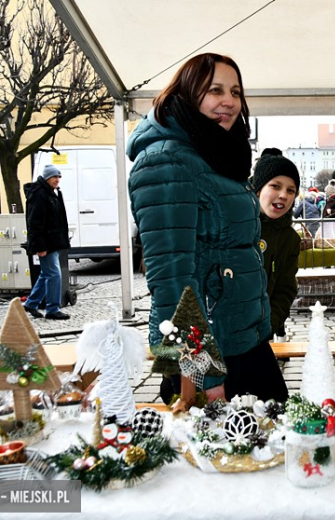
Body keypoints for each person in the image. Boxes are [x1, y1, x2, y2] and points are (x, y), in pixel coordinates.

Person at [127, 52, 288, 406]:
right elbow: (172, 286)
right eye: (215, 90)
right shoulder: (165, 161)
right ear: (187, 93)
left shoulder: (213, 153)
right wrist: (205, 375)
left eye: (235, 92)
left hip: (244, 342)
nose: (228, 101)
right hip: (209, 357)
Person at [251, 154, 301, 342]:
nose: (283, 195)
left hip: (260, 334)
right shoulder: (236, 224)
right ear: (258, 189)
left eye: (291, 190)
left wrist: (268, 325)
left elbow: (285, 289)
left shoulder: (290, 239)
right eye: (275, 186)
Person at [24, 165, 71, 320]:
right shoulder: (40, 195)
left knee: (47, 274)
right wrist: (40, 246)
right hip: (46, 243)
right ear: (46, 178)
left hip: (52, 242)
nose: (57, 180)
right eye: (54, 177)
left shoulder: (51, 193)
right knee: (54, 274)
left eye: (59, 177)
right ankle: (52, 309)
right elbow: (35, 223)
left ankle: (31, 303)